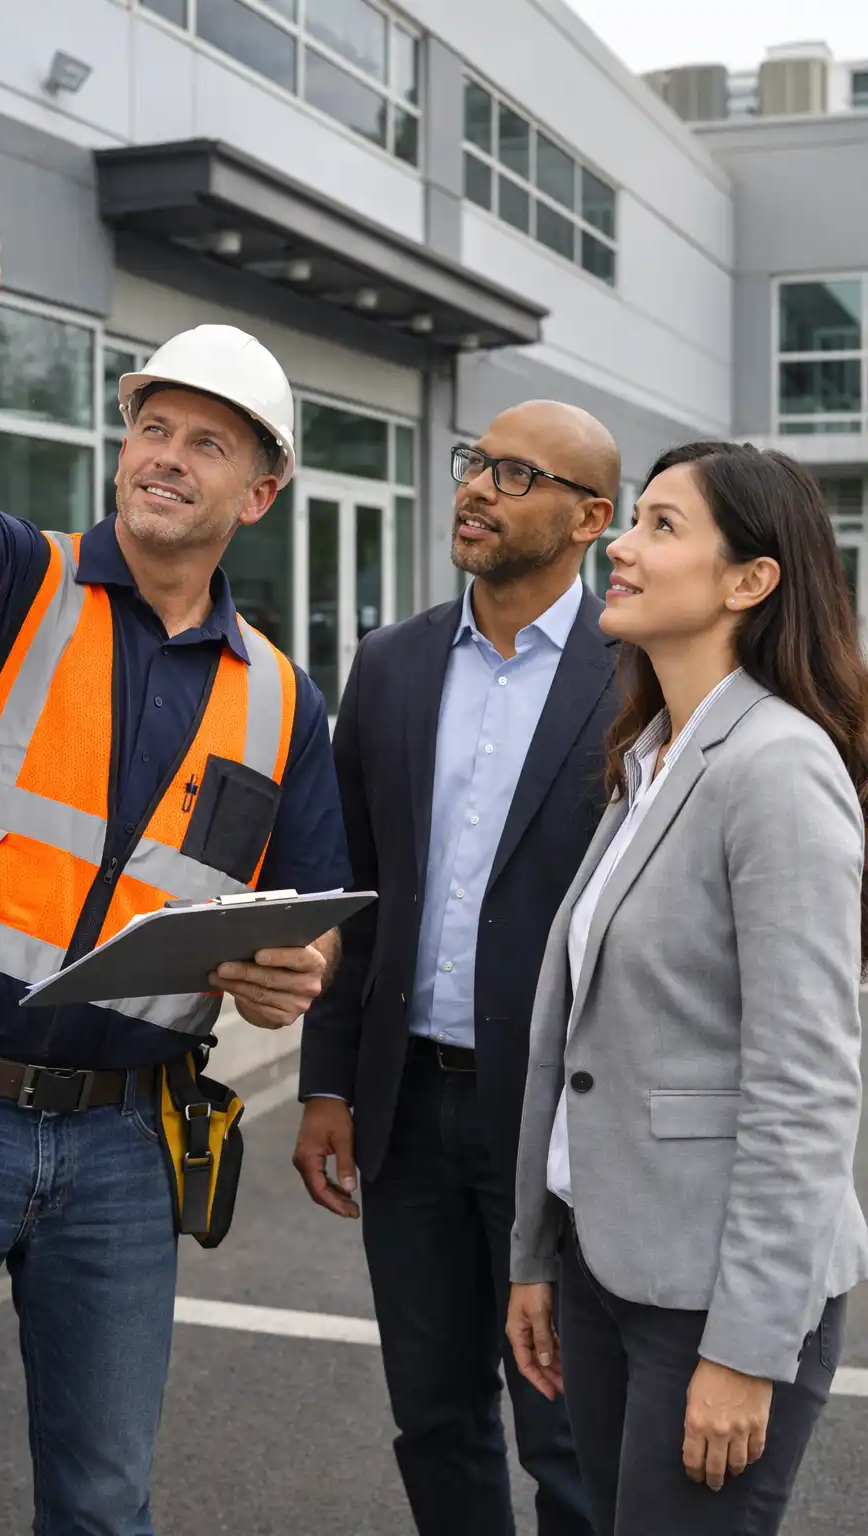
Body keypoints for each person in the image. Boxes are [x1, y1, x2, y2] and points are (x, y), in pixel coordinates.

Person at [0, 216, 351, 1536]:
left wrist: (296, 977)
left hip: (127, 1141)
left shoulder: (284, 706)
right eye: (154, 429)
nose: (167, 458)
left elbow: (311, 916)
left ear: (259, 492)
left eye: (208, 441)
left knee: (103, 1502)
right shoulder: (21, 583)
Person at [506, 441, 868, 1536]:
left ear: (749, 580)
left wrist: (747, 1351)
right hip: (609, 1264)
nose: (619, 544)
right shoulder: (651, 756)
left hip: (714, 1301)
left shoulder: (776, 766)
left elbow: (803, 1087)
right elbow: (577, 1036)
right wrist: (536, 1255)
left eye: (662, 527)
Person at [294, 400, 622, 1536]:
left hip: (562, 1122)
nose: (477, 488)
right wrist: (327, 1083)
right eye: (476, 462)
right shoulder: (388, 666)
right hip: (406, 1112)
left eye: (515, 475)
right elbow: (358, 894)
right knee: (433, 1418)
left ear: (591, 518)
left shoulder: (639, 677)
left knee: (569, 1436)